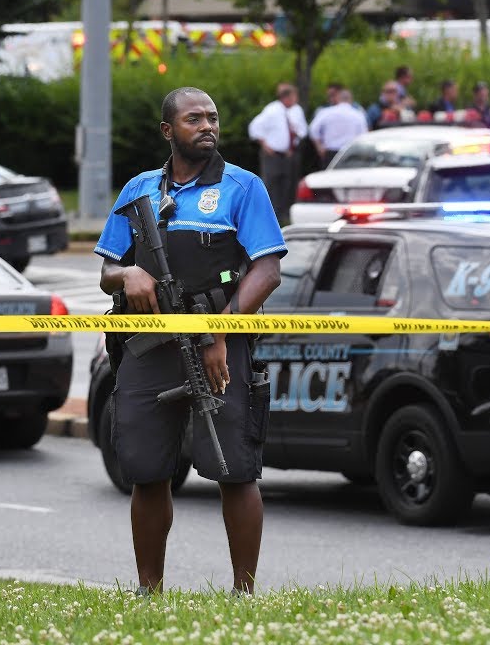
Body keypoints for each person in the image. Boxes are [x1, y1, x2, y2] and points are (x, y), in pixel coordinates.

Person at [95, 86, 286, 596]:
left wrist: (219, 329)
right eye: (194, 119)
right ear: (168, 130)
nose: (207, 126)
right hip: (150, 346)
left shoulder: (242, 187)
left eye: (213, 118)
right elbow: (108, 269)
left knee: (235, 469)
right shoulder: (138, 190)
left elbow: (266, 270)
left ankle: (244, 595)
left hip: (219, 339)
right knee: (146, 470)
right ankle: (148, 593)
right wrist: (128, 274)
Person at [248, 83, 308, 222]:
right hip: (273, 155)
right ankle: (269, 215)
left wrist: (294, 140)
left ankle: (285, 214)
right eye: (294, 97)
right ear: (287, 98)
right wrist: (265, 145)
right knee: (272, 184)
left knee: (288, 185)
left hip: (289, 154)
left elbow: (303, 130)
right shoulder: (272, 110)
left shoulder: (295, 110)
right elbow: (255, 127)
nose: (296, 100)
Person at [308, 88, 367, 167]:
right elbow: (363, 135)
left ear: (337, 98)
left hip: (330, 152)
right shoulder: (358, 114)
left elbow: (313, 129)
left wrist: (319, 146)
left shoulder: (325, 112)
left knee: (329, 177)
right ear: (351, 99)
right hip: (351, 153)